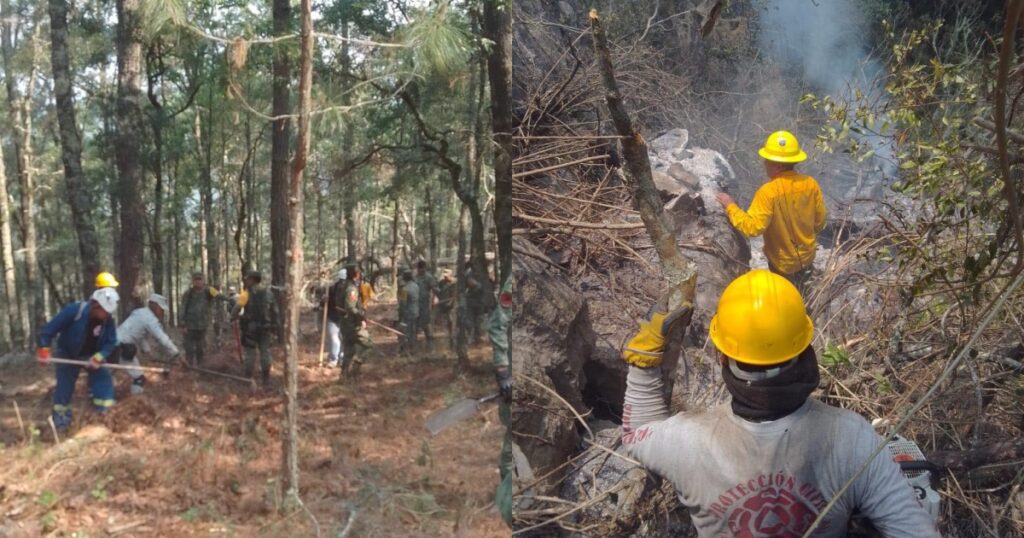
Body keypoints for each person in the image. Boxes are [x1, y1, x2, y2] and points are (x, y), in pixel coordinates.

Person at [619, 270, 939, 537]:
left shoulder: (685, 442)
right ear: (804, 351)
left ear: (722, 355)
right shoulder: (851, 438)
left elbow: (635, 435)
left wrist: (645, 358)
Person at [715, 131, 827, 291]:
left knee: (784, 299)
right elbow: (820, 222)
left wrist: (730, 206)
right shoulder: (811, 184)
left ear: (778, 165)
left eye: (766, 160)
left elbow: (753, 228)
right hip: (807, 258)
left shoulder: (768, 192)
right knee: (803, 294)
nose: (764, 163)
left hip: (782, 265)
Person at [36, 288, 120, 433]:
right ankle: (61, 421)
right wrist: (44, 347)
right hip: (67, 353)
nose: (107, 315)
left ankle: (105, 414)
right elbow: (50, 328)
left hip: (92, 354)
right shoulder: (75, 311)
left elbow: (110, 342)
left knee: (104, 378)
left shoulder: (108, 321)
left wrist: (100, 356)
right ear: (96, 306)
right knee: (64, 387)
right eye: (105, 311)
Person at [110, 294, 179, 395]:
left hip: (112, 344)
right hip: (122, 348)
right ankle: (135, 403)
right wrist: (176, 353)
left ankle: (106, 397)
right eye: (161, 309)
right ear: (154, 305)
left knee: (108, 373)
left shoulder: (140, 313)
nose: (162, 312)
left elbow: (139, 335)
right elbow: (162, 338)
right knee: (139, 379)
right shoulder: (150, 320)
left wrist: (147, 351)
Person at [237, 270, 280, 387]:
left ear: (252, 280)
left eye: (247, 279)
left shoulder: (246, 293)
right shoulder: (268, 293)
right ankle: (266, 378)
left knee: (250, 353)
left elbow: (236, 309)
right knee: (265, 351)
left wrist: (234, 316)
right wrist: (275, 325)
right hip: (266, 327)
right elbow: (275, 311)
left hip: (250, 328)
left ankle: (248, 377)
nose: (246, 281)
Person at [179, 272, 228, 366]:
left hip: (202, 325)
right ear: (193, 281)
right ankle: (189, 366)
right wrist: (183, 324)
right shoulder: (188, 293)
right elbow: (183, 308)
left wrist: (230, 299)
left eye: (200, 279)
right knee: (189, 347)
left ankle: (200, 366)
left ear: (203, 280)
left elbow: (219, 295)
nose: (198, 282)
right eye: (196, 279)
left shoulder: (208, 290)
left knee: (200, 347)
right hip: (190, 325)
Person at [337, 265, 371, 380]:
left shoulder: (342, 286)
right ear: (356, 274)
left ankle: (344, 376)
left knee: (349, 350)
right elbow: (350, 308)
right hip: (351, 324)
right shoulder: (351, 289)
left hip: (344, 323)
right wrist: (361, 316)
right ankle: (355, 367)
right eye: (359, 273)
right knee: (368, 345)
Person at [324, 268, 347, 369]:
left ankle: (342, 359)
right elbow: (324, 303)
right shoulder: (331, 289)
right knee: (334, 339)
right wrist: (324, 300)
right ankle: (333, 359)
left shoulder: (350, 289)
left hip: (345, 318)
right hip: (333, 318)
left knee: (343, 339)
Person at [415, 260, 437, 348]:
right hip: (415, 304)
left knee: (426, 323)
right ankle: (415, 343)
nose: (420, 270)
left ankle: (430, 342)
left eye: (422, 268)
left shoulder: (428, 277)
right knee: (415, 323)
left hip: (425, 304)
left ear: (425, 268)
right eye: (419, 269)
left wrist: (435, 298)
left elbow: (434, 288)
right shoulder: (415, 277)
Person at [398, 270, 420, 354]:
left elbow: (402, 304)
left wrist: (401, 316)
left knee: (406, 331)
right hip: (416, 311)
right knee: (414, 331)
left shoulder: (404, 289)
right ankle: (413, 348)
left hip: (408, 313)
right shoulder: (416, 286)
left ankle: (405, 350)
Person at [436, 269, 457, 346]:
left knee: (451, 320)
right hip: (442, 304)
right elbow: (438, 291)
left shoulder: (454, 283)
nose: (445, 278)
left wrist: (450, 302)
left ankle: (452, 336)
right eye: (444, 276)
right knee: (440, 320)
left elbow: (454, 295)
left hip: (451, 305)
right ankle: (444, 334)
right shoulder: (441, 283)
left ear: (450, 276)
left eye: (446, 276)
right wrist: (436, 299)